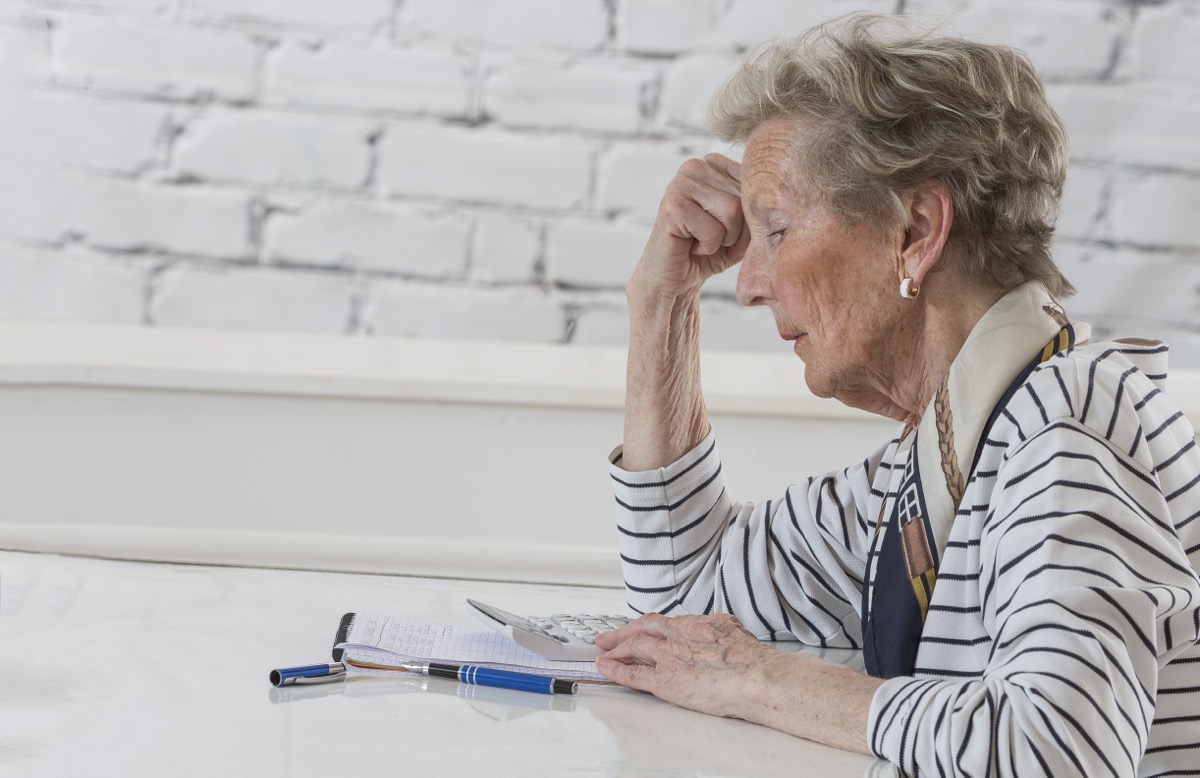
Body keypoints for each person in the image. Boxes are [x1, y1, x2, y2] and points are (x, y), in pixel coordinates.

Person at [594, 13, 1200, 777]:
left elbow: (1058, 746)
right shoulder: (941, 461)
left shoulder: (1069, 428)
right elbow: (683, 607)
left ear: (917, 229)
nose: (747, 284)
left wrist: (761, 679)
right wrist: (661, 305)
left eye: (775, 231)